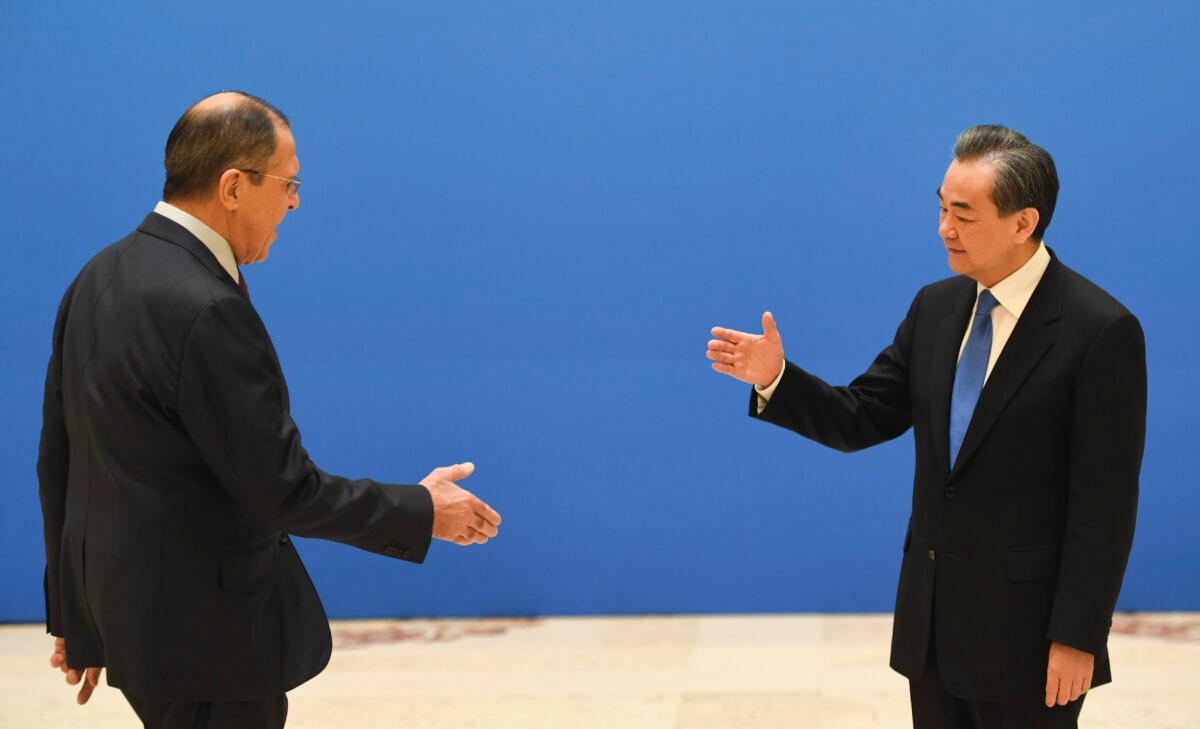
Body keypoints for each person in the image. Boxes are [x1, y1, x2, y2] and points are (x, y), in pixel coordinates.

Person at [38, 91, 502, 728]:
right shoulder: (207, 306)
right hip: (208, 642)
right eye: (288, 183)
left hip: (132, 629)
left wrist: (74, 614)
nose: (295, 202)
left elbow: (61, 460)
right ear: (233, 186)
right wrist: (422, 511)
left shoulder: (97, 276)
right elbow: (281, 489)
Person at [707, 125, 1145, 729]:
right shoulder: (935, 309)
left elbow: (1106, 506)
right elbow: (859, 416)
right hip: (933, 629)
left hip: (1030, 640)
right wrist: (777, 377)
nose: (944, 228)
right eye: (941, 208)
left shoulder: (1099, 332)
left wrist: (1079, 636)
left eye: (963, 214)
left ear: (1024, 221)